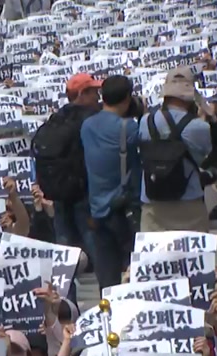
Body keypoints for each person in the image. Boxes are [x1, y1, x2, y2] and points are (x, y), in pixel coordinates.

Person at [80, 74, 140, 290]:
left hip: (96, 210)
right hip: (123, 209)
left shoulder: (87, 126)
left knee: (107, 280)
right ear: (127, 98)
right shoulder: (129, 128)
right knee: (133, 274)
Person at [32, 73, 101, 257]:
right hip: (84, 194)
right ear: (82, 94)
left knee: (65, 249)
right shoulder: (91, 119)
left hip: (59, 193)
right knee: (94, 244)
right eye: (93, 92)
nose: (98, 97)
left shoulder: (55, 119)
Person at [137, 66, 213, 232]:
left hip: (153, 199)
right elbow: (207, 155)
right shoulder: (199, 127)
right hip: (189, 199)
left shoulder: (145, 121)